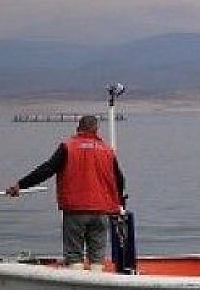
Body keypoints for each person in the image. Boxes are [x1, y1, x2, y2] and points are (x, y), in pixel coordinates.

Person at [7, 114, 127, 270]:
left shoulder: (68, 147)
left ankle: (76, 287)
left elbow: (46, 170)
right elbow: (120, 180)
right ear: (97, 130)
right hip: (101, 211)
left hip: (76, 211)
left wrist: (21, 185)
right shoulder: (107, 151)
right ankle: (96, 283)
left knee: (74, 255)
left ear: (78, 128)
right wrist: (119, 205)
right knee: (97, 256)